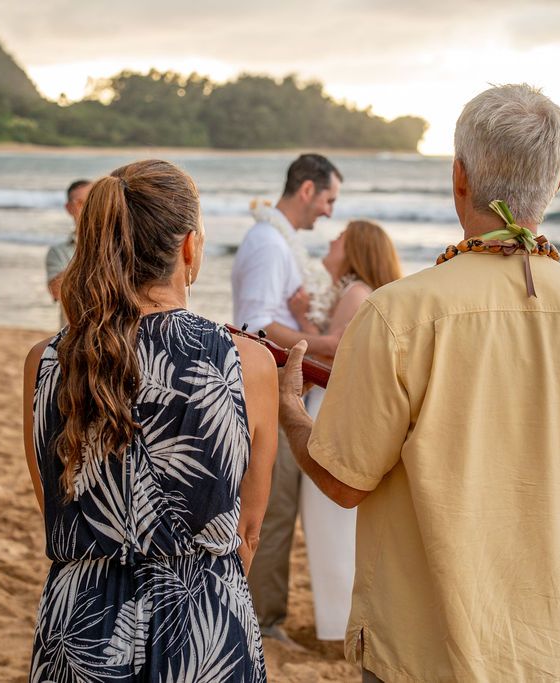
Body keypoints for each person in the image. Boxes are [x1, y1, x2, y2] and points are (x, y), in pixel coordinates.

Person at [277, 84, 560, 682]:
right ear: (558, 182)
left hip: (420, 649)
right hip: (547, 647)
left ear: (459, 179)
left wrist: (293, 414)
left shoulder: (398, 315)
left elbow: (343, 484)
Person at [22, 160, 278, 681]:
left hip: (80, 622)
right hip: (204, 620)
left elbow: (52, 503)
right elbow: (246, 534)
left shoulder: (46, 360)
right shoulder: (247, 362)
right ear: (189, 247)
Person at [231, 153, 342, 644]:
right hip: (270, 389)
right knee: (271, 508)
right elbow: (253, 325)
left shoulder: (279, 242)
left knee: (277, 507)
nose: (329, 212)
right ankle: (262, 622)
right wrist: (325, 345)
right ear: (306, 190)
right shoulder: (269, 244)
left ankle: (264, 615)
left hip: (283, 389)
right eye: (328, 199)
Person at [286, 220, 402, 641]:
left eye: (340, 237)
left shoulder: (356, 291)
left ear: (354, 249)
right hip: (339, 404)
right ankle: (339, 622)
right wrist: (305, 319)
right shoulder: (362, 292)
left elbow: (335, 348)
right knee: (331, 523)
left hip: (330, 408)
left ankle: (338, 628)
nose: (332, 240)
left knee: (327, 520)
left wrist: (285, 336)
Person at [45, 179, 92, 327]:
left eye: (92, 201)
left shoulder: (121, 245)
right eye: (80, 202)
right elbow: (57, 293)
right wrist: (89, 248)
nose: (87, 208)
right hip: (73, 338)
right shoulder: (58, 252)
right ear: (68, 208)